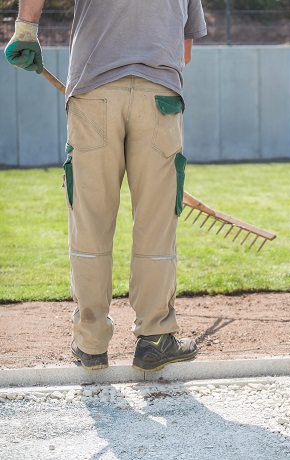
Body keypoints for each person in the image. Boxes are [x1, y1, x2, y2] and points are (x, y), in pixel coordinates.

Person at [5, 0, 207, 372]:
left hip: (94, 93)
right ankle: (155, 338)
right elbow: (185, 52)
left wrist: (26, 29)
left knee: (91, 223)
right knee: (156, 225)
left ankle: (91, 343)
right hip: (159, 98)